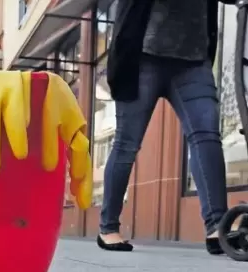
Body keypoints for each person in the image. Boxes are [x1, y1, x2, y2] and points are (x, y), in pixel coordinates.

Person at [101, 0, 235, 254]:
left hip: (194, 61)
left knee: (207, 135)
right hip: (143, 57)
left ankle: (218, 226)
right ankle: (108, 227)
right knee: (127, 143)